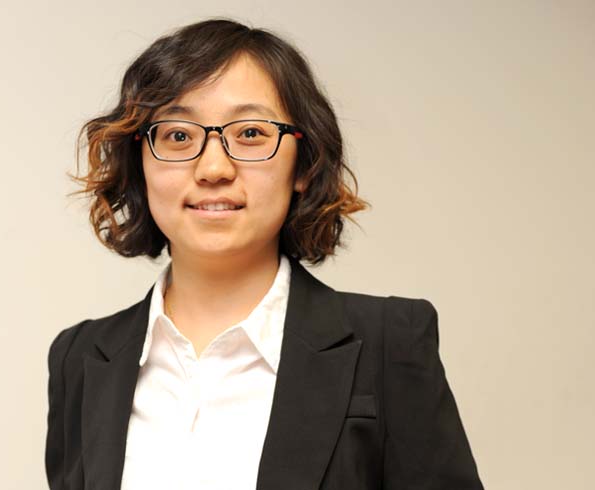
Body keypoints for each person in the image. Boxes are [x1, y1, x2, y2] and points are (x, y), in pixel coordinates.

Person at [45, 18, 484, 490]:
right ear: (141, 163)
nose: (214, 168)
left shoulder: (388, 343)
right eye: (178, 135)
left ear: (304, 165)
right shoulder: (81, 358)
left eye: (251, 133)